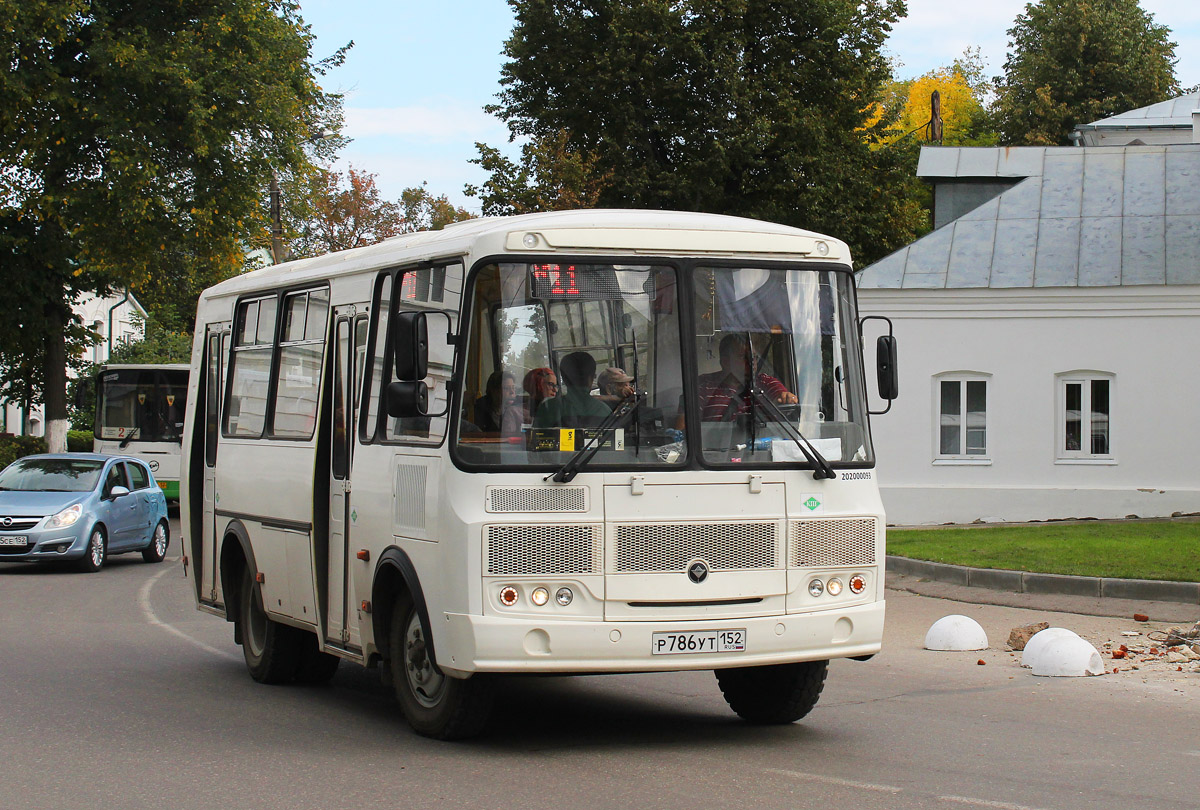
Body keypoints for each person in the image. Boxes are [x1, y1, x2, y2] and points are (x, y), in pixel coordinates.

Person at [695, 333, 797, 422]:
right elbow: (682, 430)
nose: (752, 362)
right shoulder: (704, 385)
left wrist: (786, 398)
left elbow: (783, 396)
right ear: (725, 362)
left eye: (754, 357)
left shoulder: (765, 383)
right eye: (744, 357)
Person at [533, 351, 612, 428]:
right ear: (590, 378)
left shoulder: (549, 408)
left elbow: (536, 438)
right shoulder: (605, 411)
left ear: (564, 379)